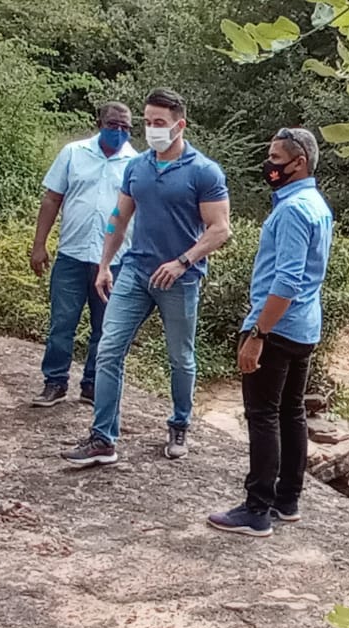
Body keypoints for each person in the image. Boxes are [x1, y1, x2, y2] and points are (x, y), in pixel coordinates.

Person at [61, 88, 231, 466]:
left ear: (179, 125)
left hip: (179, 279)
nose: (152, 130)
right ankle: (103, 438)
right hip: (135, 272)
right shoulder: (137, 166)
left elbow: (220, 229)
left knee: (180, 358)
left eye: (160, 123)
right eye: (148, 122)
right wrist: (105, 265)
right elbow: (119, 218)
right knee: (108, 350)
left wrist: (183, 262)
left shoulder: (204, 171)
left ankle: (179, 423)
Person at [207, 128, 333, 537]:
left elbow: (287, 279)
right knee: (291, 411)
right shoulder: (316, 204)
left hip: (278, 326)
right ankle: (287, 499)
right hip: (305, 326)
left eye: (277, 158)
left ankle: (257, 509)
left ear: (300, 163)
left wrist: (259, 332)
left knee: (262, 415)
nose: (270, 165)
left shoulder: (294, 210)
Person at [30, 102, 137, 407]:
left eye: (126, 127)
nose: (119, 132)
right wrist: (39, 244)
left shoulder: (136, 163)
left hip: (115, 260)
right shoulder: (73, 153)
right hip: (72, 253)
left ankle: (92, 384)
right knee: (62, 322)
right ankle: (55, 382)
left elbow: (142, 212)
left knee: (106, 328)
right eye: (113, 125)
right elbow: (52, 198)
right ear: (99, 123)